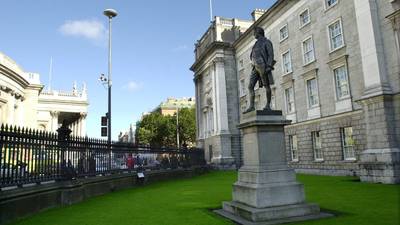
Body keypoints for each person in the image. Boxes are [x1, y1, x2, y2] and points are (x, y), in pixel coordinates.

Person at [244, 26, 276, 113]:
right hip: (255, 67)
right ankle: (251, 106)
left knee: (266, 86)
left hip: (263, 66)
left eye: (255, 33)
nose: (254, 34)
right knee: (250, 86)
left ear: (259, 33)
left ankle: (268, 105)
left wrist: (269, 66)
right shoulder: (256, 43)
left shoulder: (267, 42)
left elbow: (270, 54)